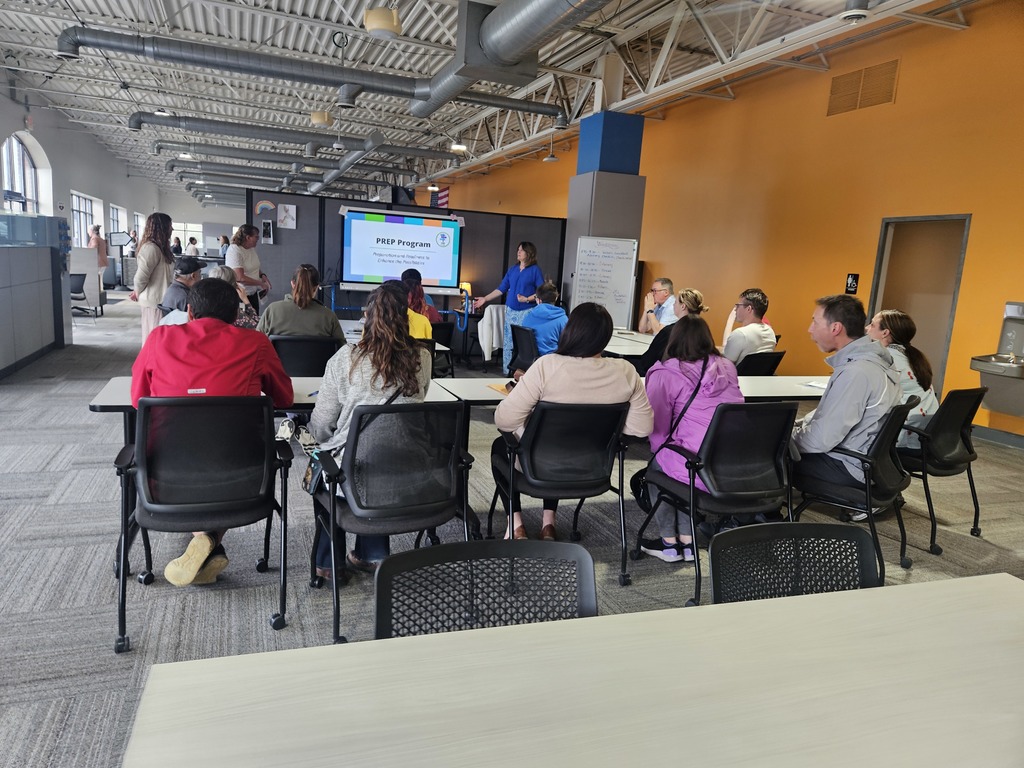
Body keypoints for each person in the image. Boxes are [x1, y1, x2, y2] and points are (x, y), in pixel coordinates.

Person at [131, 278, 293, 587]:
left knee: (196, 458)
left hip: (167, 474)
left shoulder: (158, 339)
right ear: (235, 315)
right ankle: (209, 540)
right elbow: (284, 399)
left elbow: (138, 400)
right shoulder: (256, 343)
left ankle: (203, 539)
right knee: (226, 454)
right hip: (243, 476)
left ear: (190, 312)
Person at [493, 302, 653, 541]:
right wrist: (608, 426)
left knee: (502, 445)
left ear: (570, 331)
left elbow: (504, 420)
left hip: (537, 467)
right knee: (564, 443)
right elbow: (642, 428)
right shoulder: (626, 371)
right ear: (606, 336)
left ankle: (517, 526)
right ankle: (549, 524)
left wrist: (530, 407)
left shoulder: (547, 365)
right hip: (593, 468)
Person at [309, 282, 433, 577]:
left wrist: (324, 444)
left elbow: (323, 424)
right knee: (381, 455)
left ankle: (329, 563)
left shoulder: (345, 359)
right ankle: (373, 553)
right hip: (408, 469)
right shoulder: (423, 358)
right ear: (405, 318)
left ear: (366, 317)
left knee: (324, 465)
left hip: (354, 474)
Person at [641, 315, 744, 563]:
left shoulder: (666, 372)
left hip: (696, 464)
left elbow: (656, 428)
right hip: (731, 462)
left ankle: (669, 545)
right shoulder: (727, 367)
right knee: (678, 467)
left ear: (673, 340)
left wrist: (659, 453)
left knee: (660, 470)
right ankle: (688, 543)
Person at [791, 295, 901, 518]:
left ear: (835, 328)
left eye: (815, 322)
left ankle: (759, 519)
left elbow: (822, 439)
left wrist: (786, 440)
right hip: (869, 461)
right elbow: (829, 415)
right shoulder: (876, 361)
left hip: (849, 467)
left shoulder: (856, 372)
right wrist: (798, 426)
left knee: (768, 456)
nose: (810, 330)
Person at [866, 309, 939, 448]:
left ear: (885, 333)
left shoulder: (885, 358)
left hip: (903, 434)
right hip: (925, 432)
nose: (867, 328)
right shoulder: (911, 355)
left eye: (872, 325)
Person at [473, 241, 544, 374]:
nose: (518, 252)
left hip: (526, 311)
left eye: (521, 250)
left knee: (523, 342)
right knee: (508, 342)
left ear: (529, 253)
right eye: (518, 249)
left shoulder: (535, 270)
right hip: (511, 310)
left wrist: (527, 299)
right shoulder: (513, 269)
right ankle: (508, 371)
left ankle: (523, 372)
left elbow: (541, 291)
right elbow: (501, 288)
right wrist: (485, 299)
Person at [257, 264, 344, 341]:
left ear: (292, 284)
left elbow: (256, 342)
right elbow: (342, 349)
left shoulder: (272, 311)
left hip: (278, 355)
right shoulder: (329, 316)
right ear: (316, 288)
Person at [634, 288, 710, 377]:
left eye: (675, 302)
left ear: (683, 306)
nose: (673, 305)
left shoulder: (670, 332)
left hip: (659, 374)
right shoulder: (703, 331)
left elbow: (648, 362)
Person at [129, 212, 175, 343]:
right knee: (154, 340)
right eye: (169, 226)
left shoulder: (160, 248)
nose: (171, 229)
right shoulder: (151, 248)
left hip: (162, 301)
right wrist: (137, 292)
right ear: (161, 227)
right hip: (154, 302)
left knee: (159, 339)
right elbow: (140, 277)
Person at [722, 288, 776, 365]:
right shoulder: (770, 332)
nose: (735, 309)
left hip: (736, 373)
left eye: (738, 305)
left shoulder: (740, 334)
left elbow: (725, 364)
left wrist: (730, 320)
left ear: (748, 309)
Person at [225, 224, 271, 313]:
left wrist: (262, 275)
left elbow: (254, 266)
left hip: (252, 292)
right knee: (245, 319)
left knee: (254, 317)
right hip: (240, 295)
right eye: (256, 237)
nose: (258, 239)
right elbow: (239, 278)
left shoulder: (251, 249)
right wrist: (261, 283)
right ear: (248, 237)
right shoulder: (235, 250)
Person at [520, 280, 567, 356]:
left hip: (529, 358)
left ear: (538, 300)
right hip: (551, 359)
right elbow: (567, 343)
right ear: (556, 298)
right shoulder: (563, 319)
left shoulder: (528, 316)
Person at [207, 265, 259, 329]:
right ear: (234, 284)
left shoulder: (205, 305)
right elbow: (257, 327)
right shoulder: (233, 311)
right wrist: (246, 300)